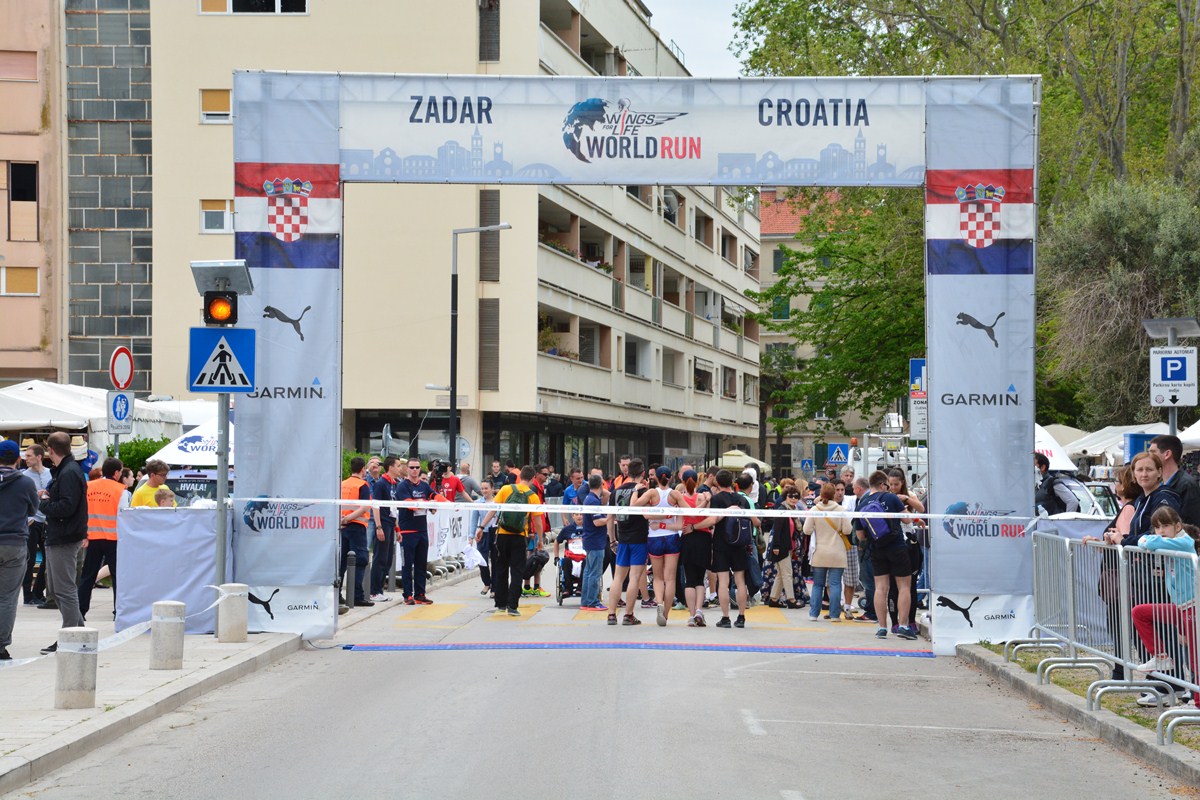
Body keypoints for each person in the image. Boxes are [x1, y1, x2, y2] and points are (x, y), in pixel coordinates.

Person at [1130, 506, 1197, 706]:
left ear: (1177, 525)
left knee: (1195, 659)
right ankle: (1160, 656)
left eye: (1165, 526)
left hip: (1193, 606)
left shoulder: (1184, 542)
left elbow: (1147, 541)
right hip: (1180, 607)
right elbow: (1148, 541)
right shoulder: (1172, 542)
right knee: (1139, 613)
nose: (1160, 531)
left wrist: (1147, 540)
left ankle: (1197, 702)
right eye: (1157, 527)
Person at [1083, 466, 1139, 680]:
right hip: (1118, 573)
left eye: (1118, 482)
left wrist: (1107, 540)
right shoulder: (1129, 508)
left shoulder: (1128, 509)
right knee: (1118, 621)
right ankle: (1121, 668)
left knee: (1118, 622)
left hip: (1119, 574)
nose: (1115, 486)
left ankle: (1121, 669)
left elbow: (1122, 540)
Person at [38, 431, 88, 652]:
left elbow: (67, 507)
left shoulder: (68, 472)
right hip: (62, 535)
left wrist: (44, 503)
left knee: (64, 589)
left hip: (64, 537)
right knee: (59, 589)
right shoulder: (67, 470)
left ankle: (71, 637)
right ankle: (79, 632)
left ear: (50, 450)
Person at [855, 470, 916, 640]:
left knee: (881, 588)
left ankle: (882, 628)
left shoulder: (862, 503)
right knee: (904, 586)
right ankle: (903, 626)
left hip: (877, 549)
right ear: (882, 484)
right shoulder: (891, 498)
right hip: (896, 546)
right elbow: (907, 520)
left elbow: (860, 535)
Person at [479, 465, 544, 616]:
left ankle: (500, 604)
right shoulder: (533, 496)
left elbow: (493, 510)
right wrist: (540, 539)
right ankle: (512, 606)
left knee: (501, 568)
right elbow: (538, 521)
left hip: (502, 535)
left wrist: (481, 527)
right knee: (517, 571)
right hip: (520, 536)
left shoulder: (506, 489)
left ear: (520, 476)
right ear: (533, 479)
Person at [694, 469, 754, 629]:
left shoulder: (717, 499)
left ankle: (726, 617)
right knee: (741, 581)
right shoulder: (742, 499)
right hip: (740, 544)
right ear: (732, 482)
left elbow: (713, 520)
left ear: (717, 483)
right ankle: (741, 617)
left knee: (723, 582)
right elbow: (754, 521)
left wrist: (694, 526)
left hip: (721, 544)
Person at [0, 439, 39, 660]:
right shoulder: (25, 483)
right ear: (18, 459)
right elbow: (34, 508)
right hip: (14, 543)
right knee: (6, 597)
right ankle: (1, 645)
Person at [78, 457, 128, 622]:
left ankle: (80, 611)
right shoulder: (121, 490)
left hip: (92, 537)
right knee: (117, 577)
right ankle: (118, 612)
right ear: (116, 473)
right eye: (120, 471)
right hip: (113, 538)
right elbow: (124, 516)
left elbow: (82, 510)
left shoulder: (88, 486)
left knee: (88, 576)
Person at [634, 465, 684, 626]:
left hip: (654, 538)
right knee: (670, 579)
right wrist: (672, 512)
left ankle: (659, 602)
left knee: (658, 577)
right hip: (671, 537)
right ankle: (666, 614)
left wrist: (636, 491)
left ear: (655, 478)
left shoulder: (651, 493)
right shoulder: (675, 494)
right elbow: (691, 510)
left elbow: (634, 506)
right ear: (671, 478)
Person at [607, 458, 651, 626]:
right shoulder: (642, 491)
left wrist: (612, 539)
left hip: (622, 538)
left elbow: (609, 517)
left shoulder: (616, 491)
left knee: (618, 577)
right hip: (639, 538)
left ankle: (611, 614)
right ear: (643, 473)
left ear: (627, 472)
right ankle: (628, 615)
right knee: (634, 577)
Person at [804, 481, 850, 621]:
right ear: (834, 494)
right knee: (835, 584)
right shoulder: (840, 510)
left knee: (818, 584)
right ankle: (835, 615)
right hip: (837, 553)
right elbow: (848, 530)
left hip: (820, 552)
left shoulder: (814, 510)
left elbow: (807, 530)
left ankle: (813, 614)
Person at [395, 457, 437, 605]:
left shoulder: (424, 486)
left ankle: (420, 594)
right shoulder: (402, 486)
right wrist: (428, 503)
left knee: (421, 564)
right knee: (407, 565)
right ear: (407, 469)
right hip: (408, 531)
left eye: (417, 467)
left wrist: (443, 504)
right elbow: (410, 505)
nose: (414, 470)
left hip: (422, 531)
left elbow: (435, 497)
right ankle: (408, 595)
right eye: (411, 467)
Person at [676, 469, 711, 626]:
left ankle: (691, 615)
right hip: (703, 538)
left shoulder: (681, 498)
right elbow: (710, 517)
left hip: (687, 538)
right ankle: (698, 610)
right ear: (697, 481)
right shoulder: (703, 497)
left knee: (689, 579)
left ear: (683, 482)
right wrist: (706, 501)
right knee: (700, 579)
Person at [340, 457, 375, 606]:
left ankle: (338, 594)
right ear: (363, 470)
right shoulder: (363, 485)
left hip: (342, 527)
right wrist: (348, 518)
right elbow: (364, 508)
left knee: (342, 562)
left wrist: (342, 519)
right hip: (356, 526)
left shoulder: (343, 484)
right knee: (360, 560)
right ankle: (356, 596)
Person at [21, 444, 51, 606]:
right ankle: (27, 595)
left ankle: (38, 591)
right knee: (29, 559)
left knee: (48, 558)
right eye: (25, 456)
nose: (26, 459)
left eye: (29, 456)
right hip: (32, 521)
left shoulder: (50, 474)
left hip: (47, 521)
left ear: (39, 457)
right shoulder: (24, 476)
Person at [1149, 435, 1200, 526]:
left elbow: (1192, 524)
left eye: (1153, 452)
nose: (1149, 456)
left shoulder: (1186, 485)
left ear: (1167, 454)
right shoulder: (1159, 484)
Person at [370, 457, 401, 603]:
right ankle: (374, 591)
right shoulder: (381, 484)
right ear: (390, 467)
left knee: (388, 559)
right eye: (398, 465)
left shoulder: (394, 484)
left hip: (390, 523)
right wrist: (378, 526)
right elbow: (375, 506)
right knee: (380, 558)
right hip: (382, 524)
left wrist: (397, 528)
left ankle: (379, 590)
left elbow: (394, 508)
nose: (400, 468)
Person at [766, 487, 801, 609]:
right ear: (785, 497)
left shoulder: (793, 510)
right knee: (787, 573)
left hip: (788, 546)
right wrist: (776, 546)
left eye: (796, 496)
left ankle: (773, 599)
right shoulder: (782, 510)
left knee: (781, 574)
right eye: (790, 496)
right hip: (781, 547)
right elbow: (777, 530)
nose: (793, 499)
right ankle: (791, 599)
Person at [578, 475, 609, 610]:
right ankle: (592, 602)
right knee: (595, 573)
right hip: (596, 541)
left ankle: (585, 601)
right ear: (602, 485)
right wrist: (610, 518)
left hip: (590, 539)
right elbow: (597, 522)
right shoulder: (593, 501)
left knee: (588, 571)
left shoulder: (589, 499)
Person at [471, 479, 497, 596]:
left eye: (486, 488)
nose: (484, 491)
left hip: (496, 532)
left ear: (492, 489)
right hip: (483, 533)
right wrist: (471, 535)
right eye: (482, 488)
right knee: (482, 560)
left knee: (496, 561)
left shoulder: (498, 501)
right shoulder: (478, 503)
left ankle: (495, 588)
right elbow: (474, 520)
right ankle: (487, 583)